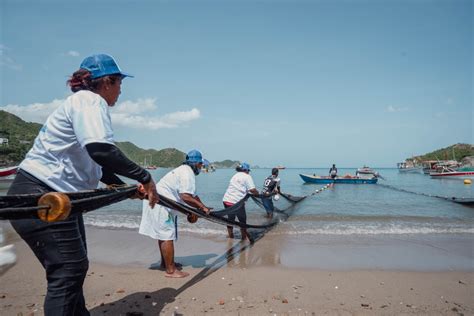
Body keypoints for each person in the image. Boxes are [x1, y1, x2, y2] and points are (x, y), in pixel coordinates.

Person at [7, 53, 159, 316]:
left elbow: (98, 167)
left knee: (73, 269)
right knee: (67, 272)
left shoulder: (81, 105)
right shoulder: (90, 101)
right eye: (120, 83)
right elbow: (101, 150)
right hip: (42, 196)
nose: (121, 90)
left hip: (58, 198)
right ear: (107, 82)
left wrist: (128, 188)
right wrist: (144, 176)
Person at [139, 150, 212, 278]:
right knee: (167, 235)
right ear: (196, 164)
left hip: (159, 203)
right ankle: (171, 270)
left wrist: (203, 207)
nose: (201, 167)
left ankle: (165, 263)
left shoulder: (183, 170)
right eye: (201, 165)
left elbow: (193, 195)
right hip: (161, 205)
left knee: (163, 235)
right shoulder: (187, 173)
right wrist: (201, 208)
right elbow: (185, 197)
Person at [222, 162, 259, 242]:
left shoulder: (235, 175)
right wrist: (258, 194)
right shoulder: (247, 176)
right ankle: (244, 238)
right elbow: (252, 189)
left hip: (226, 200)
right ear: (246, 170)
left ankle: (231, 237)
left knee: (230, 220)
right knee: (242, 222)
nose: (248, 172)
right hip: (236, 203)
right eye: (248, 170)